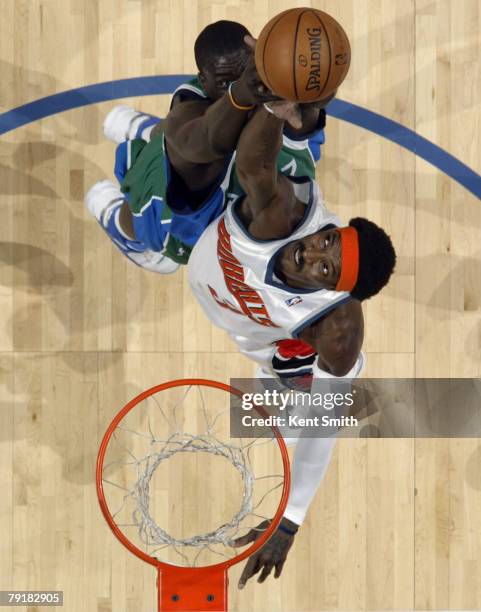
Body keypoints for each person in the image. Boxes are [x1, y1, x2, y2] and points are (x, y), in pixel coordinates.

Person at [187, 95, 396, 587]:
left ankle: (313, 377)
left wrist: (291, 518)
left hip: (262, 340)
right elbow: (256, 166)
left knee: (300, 423)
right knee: (159, 206)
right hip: (199, 241)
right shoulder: (282, 217)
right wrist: (274, 104)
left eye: (326, 269)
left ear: (336, 293)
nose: (311, 255)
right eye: (327, 242)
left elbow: (323, 424)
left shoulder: (338, 328)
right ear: (331, 229)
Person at [84, 21, 328, 273]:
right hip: (192, 155)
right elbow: (208, 141)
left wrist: (309, 72)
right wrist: (241, 92)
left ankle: (153, 138)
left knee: (176, 143)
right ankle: (126, 229)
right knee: (144, 205)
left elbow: (319, 99)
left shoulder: (278, 95)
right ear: (204, 80)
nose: (240, 84)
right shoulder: (203, 99)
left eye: (245, 74)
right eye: (225, 83)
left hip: (217, 229)